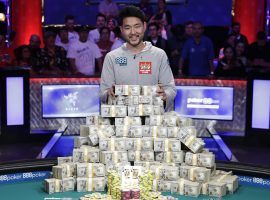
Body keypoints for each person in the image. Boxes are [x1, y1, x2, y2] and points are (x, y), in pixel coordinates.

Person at [100, 6, 176, 111]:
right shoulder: (112, 57)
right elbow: (103, 93)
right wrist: (108, 93)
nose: (133, 32)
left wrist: (165, 95)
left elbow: (170, 88)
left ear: (144, 26)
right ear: (121, 30)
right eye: (127, 28)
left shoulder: (159, 55)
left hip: (152, 122)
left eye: (137, 26)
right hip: (122, 123)